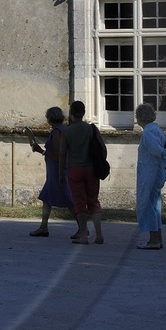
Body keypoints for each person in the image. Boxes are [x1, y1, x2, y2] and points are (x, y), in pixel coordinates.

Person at [60, 100, 105, 245]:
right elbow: (103, 148)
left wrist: (61, 173)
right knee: (94, 201)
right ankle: (99, 235)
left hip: (74, 169)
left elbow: (62, 154)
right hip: (91, 168)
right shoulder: (91, 129)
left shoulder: (67, 131)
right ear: (84, 112)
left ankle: (84, 236)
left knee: (79, 202)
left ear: (71, 114)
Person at [28, 106, 73, 237]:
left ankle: (82, 227)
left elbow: (60, 155)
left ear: (50, 118)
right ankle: (43, 227)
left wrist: (40, 151)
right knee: (47, 198)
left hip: (58, 171)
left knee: (69, 200)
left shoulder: (57, 132)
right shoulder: (64, 130)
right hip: (56, 172)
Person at [134, 102, 166, 250]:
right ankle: (158, 239)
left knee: (147, 204)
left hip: (149, 172)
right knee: (155, 205)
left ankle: (153, 240)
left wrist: (164, 151)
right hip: (158, 171)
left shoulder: (148, 133)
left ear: (140, 118)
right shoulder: (157, 130)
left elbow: (157, 151)